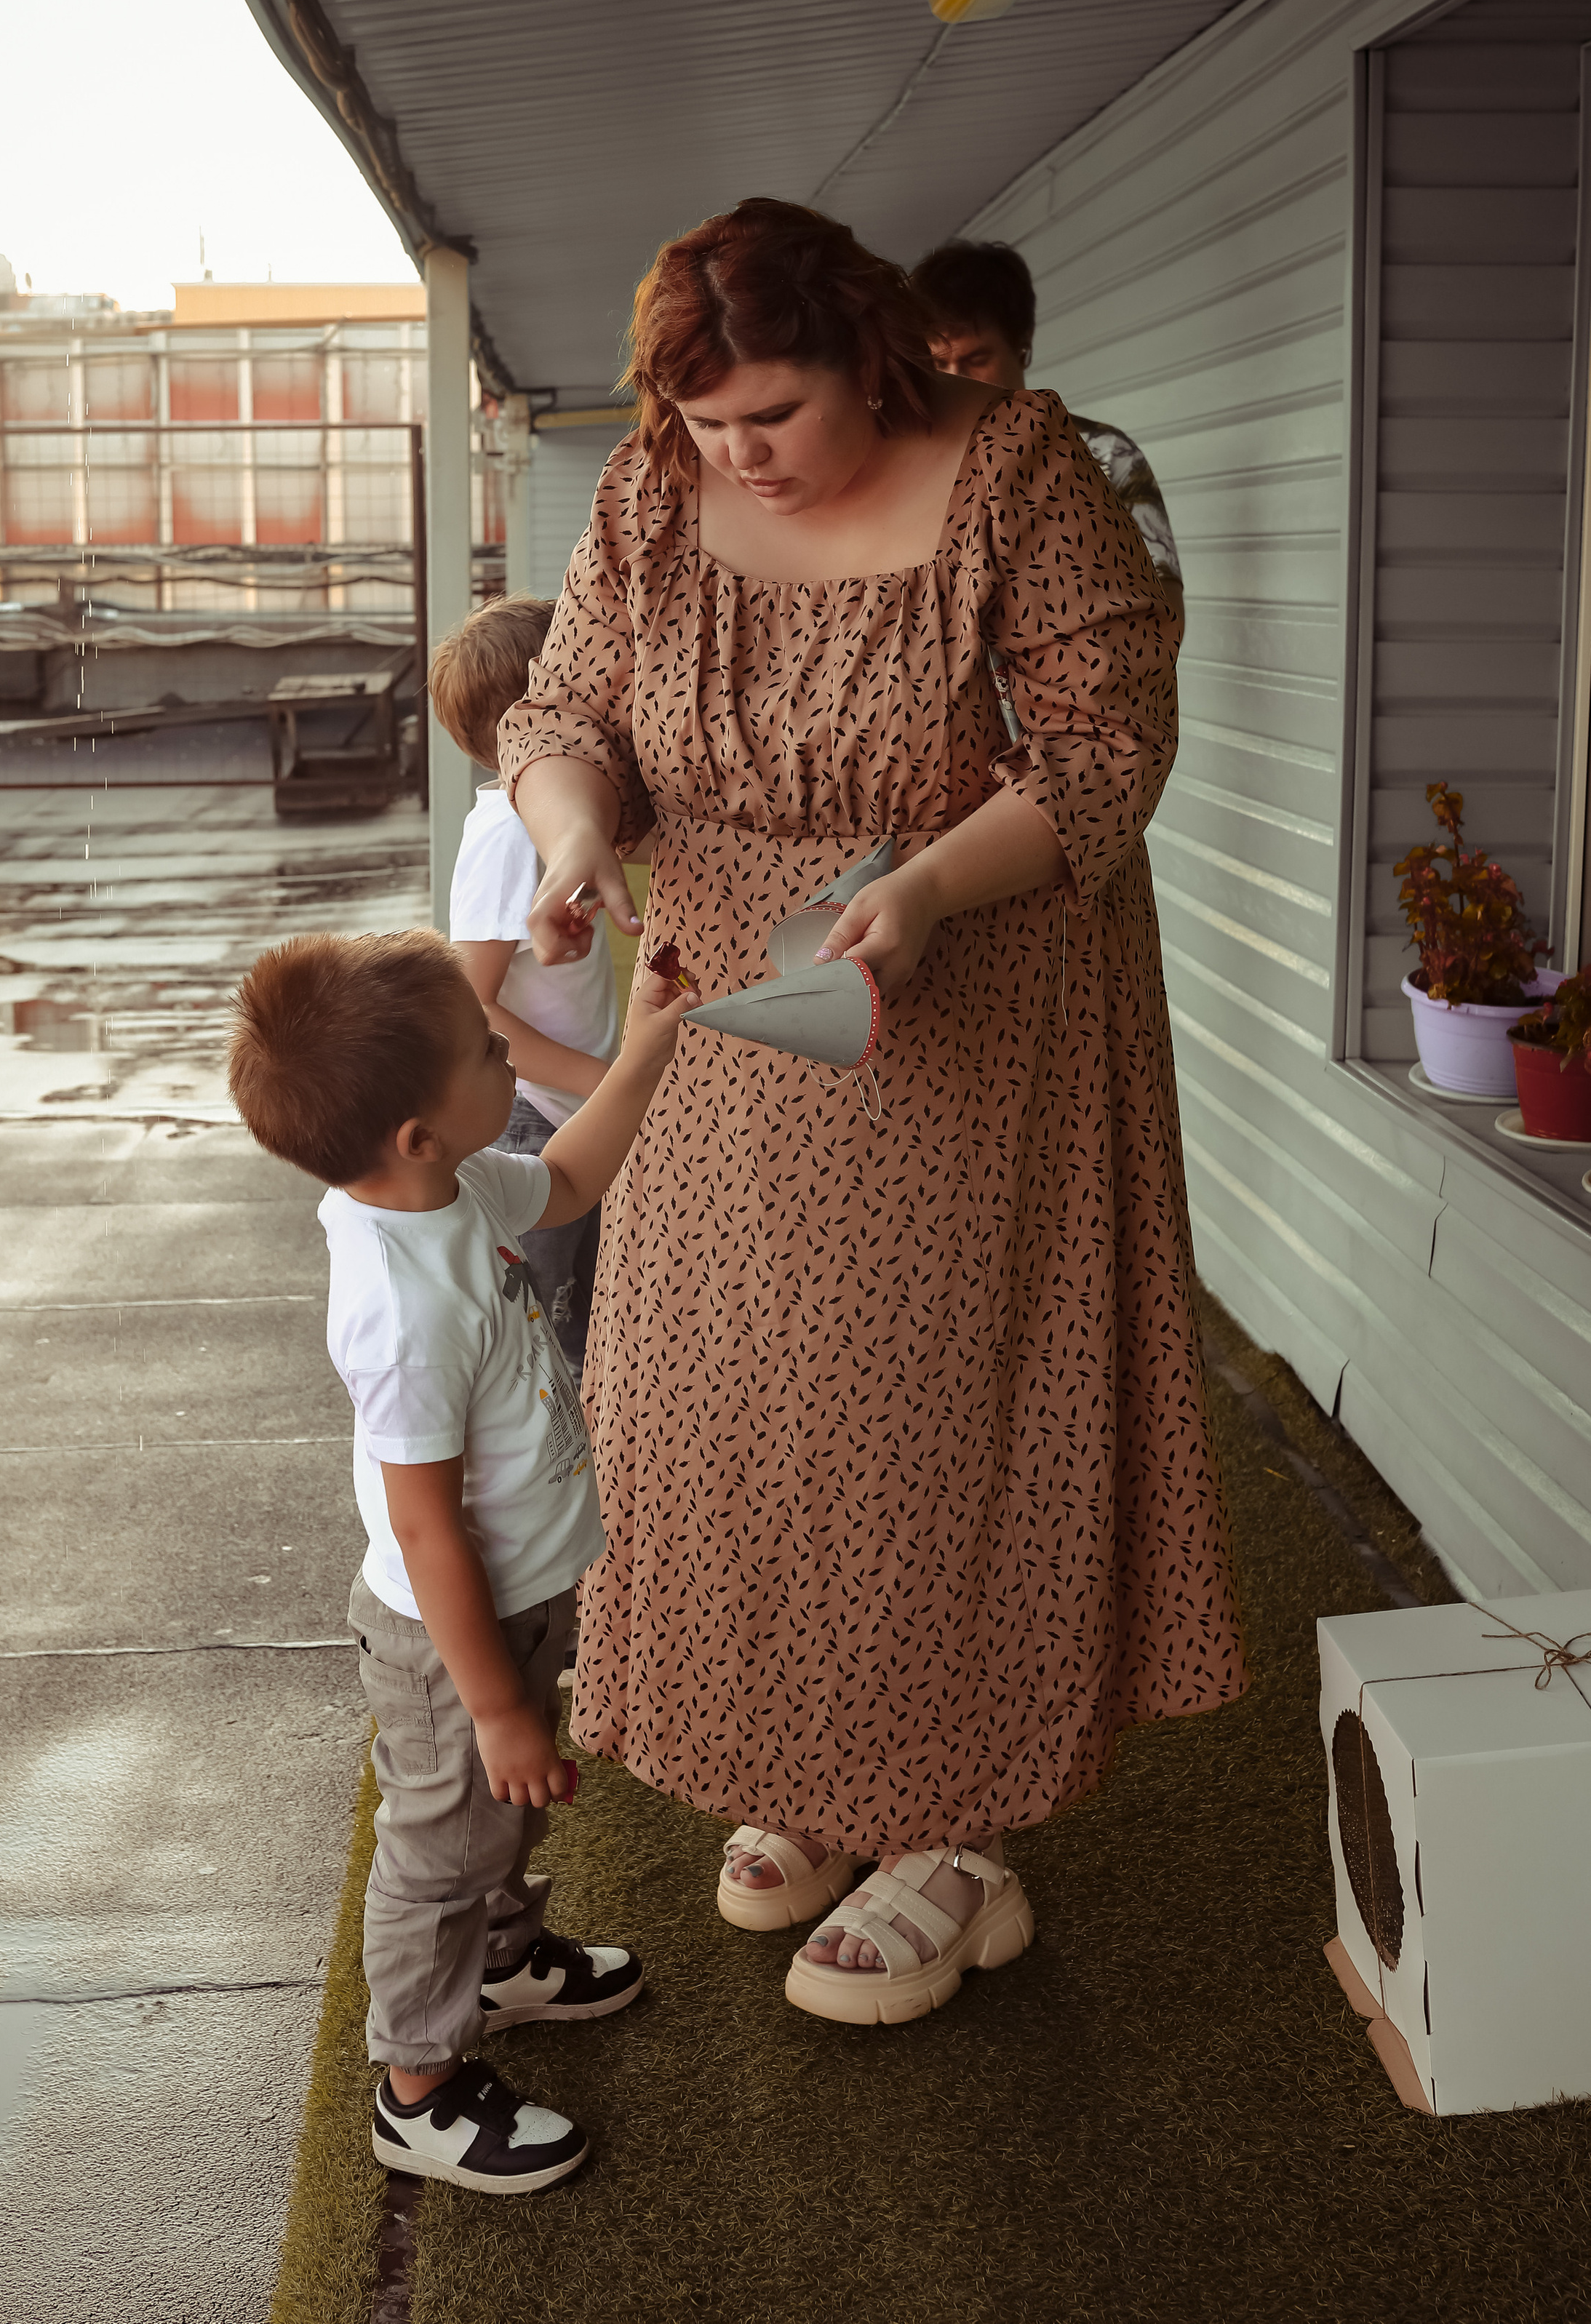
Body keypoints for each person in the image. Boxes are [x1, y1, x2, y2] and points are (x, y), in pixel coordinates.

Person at [498, 196, 1245, 2031]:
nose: (732, 454)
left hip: (962, 997)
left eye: (769, 415)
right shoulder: (652, 494)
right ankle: (814, 1769)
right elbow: (564, 704)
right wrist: (578, 835)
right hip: (721, 1027)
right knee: (729, 1413)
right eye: (705, 423)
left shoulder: (1013, 467)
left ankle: (955, 1829)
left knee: (930, 1415)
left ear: (869, 357)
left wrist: (917, 890)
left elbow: (1101, 744)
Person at [227, 927, 699, 2189]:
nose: (509, 1051)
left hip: (517, 1603)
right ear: (414, 1137)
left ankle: (499, 1962)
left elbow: (578, 1177)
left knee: (493, 1830)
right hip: (453, 1643)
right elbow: (426, 1524)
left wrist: (647, 1039)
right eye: (489, 1053)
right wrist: (491, 1704)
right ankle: (420, 2083)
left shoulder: (460, 1187)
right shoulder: (402, 1303)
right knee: (440, 1853)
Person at [431, 594, 619, 1378]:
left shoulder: (550, 822)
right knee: (540, 1341)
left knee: (584, 1326)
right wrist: (604, 1084)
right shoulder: (510, 832)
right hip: (535, 1119)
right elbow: (468, 1004)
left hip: (573, 1109)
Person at [910, 237, 1184, 621]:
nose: (957, 380)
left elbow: (1164, 608)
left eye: (977, 359)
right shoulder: (912, 461)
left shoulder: (1104, 452)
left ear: (1022, 348)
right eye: (940, 364)